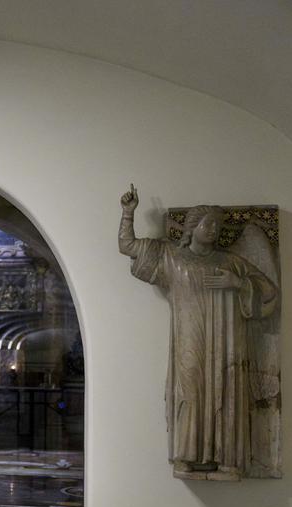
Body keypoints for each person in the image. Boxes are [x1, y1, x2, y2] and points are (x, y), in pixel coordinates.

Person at [117, 185, 279, 480]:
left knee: (227, 392)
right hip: (190, 339)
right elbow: (127, 246)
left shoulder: (230, 263)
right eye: (208, 224)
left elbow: (270, 294)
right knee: (190, 391)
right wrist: (128, 213)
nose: (214, 229)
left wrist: (239, 284)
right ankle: (187, 458)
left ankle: (228, 462)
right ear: (192, 228)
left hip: (228, 342)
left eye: (218, 225)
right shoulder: (171, 257)